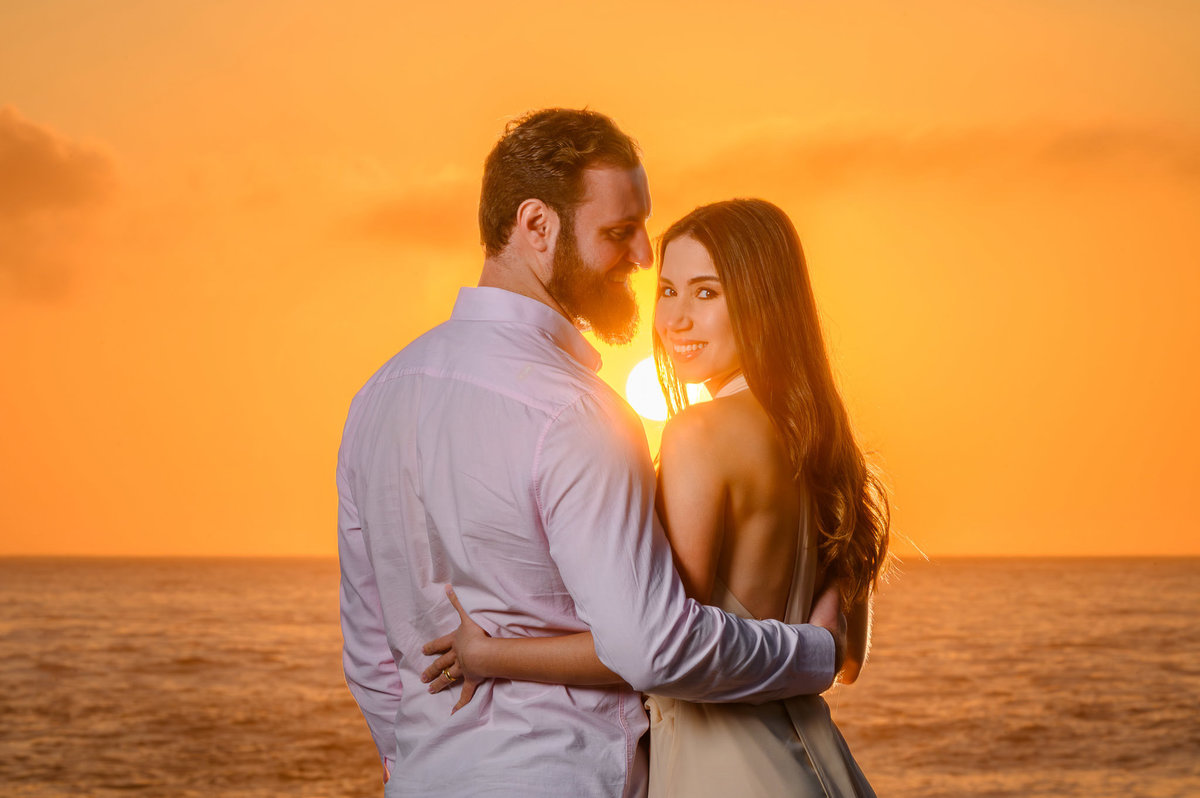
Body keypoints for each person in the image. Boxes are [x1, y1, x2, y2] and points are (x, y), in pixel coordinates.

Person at [337, 110, 847, 798]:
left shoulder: (376, 397)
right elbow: (654, 646)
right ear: (537, 226)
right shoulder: (579, 412)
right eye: (619, 232)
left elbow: (371, 647)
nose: (642, 257)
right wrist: (816, 652)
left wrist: (419, 764)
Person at [422, 199, 889, 797]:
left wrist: (489, 655)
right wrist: (816, 643)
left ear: (764, 301)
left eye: (706, 293)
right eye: (668, 290)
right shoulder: (825, 449)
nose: (676, 319)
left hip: (724, 774)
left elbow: (654, 649)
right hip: (821, 766)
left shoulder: (699, 435)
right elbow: (845, 659)